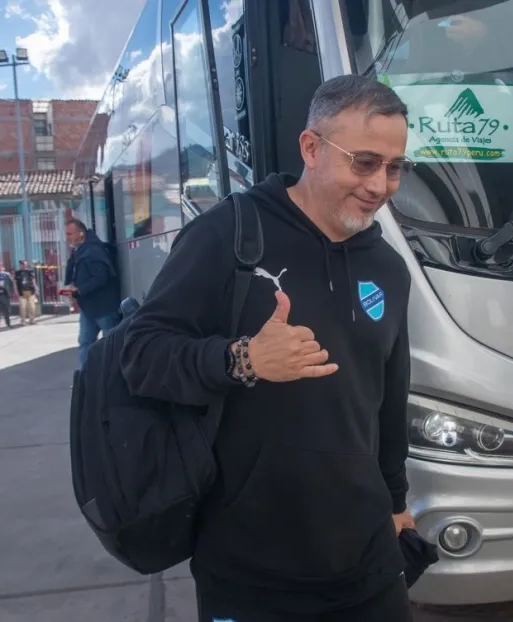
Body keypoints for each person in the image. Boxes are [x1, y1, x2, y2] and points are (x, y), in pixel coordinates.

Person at [120, 75, 417, 621]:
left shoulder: (389, 269)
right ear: (312, 148)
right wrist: (243, 360)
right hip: (250, 569)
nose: (381, 184)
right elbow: (140, 354)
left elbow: (388, 403)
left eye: (394, 167)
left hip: (367, 561)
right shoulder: (228, 236)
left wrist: (396, 503)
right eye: (365, 162)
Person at [63, 219, 121, 368]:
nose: (67, 237)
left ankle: (112, 378)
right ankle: (86, 380)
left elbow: (102, 276)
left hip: (104, 307)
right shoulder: (81, 250)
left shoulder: (93, 250)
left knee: (110, 346)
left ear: (80, 233)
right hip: (89, 306)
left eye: (70, 233)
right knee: (86, 343)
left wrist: (80, 290)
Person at [14, 260, 39, 325]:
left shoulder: (30, 271)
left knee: (32, 307)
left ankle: (32, 320)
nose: (24, 265)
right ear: (20, 265)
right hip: (22, 292)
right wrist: (16, 291)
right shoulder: (17, 273)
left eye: (25, 264)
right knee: (22, 307)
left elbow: (33, 281)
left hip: (30, 291)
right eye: (22, 264)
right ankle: (23, 321)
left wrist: (36, 289)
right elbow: (15, 283)